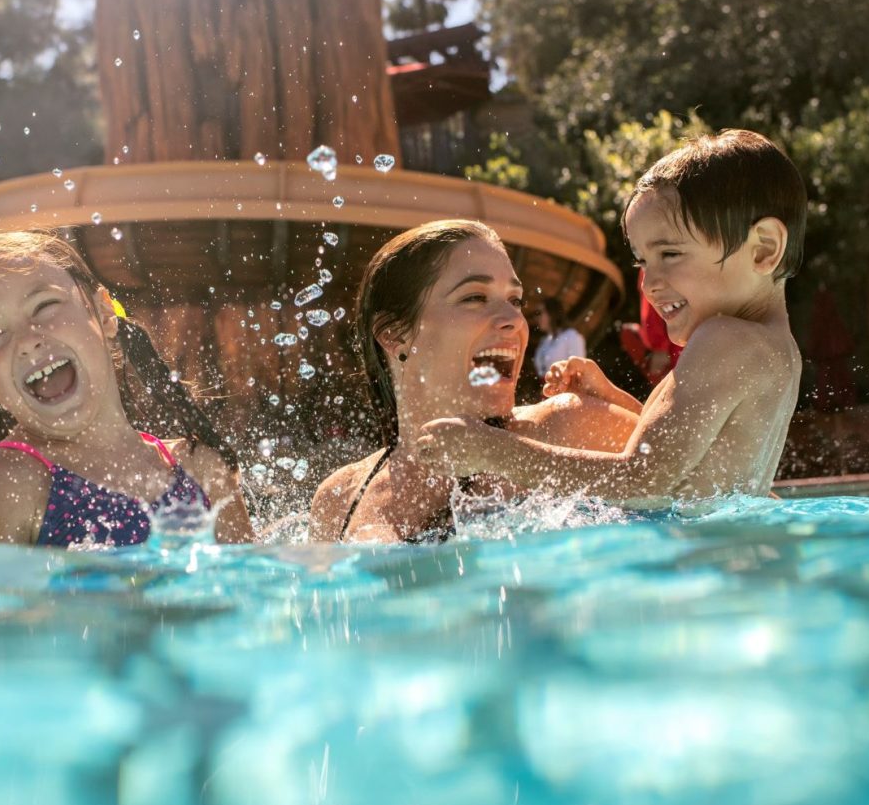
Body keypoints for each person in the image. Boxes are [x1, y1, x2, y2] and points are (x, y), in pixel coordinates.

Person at [417, 129, 805, 506]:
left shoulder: (723, 338)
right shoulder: (775, 350)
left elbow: (643, 478)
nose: (649, 284)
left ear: (762, 249)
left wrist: (493, 451)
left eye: (669, 254)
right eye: (642, 261)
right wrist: (611, 397)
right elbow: (689, 458)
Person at [309, 219, 637, 543]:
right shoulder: (339, 497)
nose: (514, 320)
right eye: (474, 297)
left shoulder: (566, 428)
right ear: (394, 335)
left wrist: (616, 401)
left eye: (515, 300)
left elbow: (682, 478)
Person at [0, 230, 254, 547]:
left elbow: (251, 591)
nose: (27, 340)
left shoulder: (199, 469)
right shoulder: (9, 484)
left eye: (44, 305)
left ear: (104, 314)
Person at [530, 297, 586, 376]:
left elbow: (578, 371)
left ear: (551, 313)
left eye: (539, 313)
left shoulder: (571, 336)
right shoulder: (544, 341)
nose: (536, 318)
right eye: (535, 314)